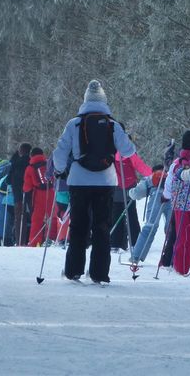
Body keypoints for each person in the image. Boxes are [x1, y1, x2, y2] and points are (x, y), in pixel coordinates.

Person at [52, 80, 135, 285]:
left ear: (85, 101)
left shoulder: (74, 124)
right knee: (101, 226)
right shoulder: (112, 125)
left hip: (79, 181)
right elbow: (128, 151)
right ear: (104, 101)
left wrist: (59, 170)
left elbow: (60, 152)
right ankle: (99, 273)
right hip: (106, 181)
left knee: (78, 226)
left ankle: (73, 271)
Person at [169, 130, 190, 275]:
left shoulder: (177, 162)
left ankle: (181, 266)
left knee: (182, 235)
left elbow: (170, 183)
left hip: (179, 204)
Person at [110, 146, 152, 252]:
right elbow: (141, 167)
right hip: (129, 189)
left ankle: (115, 243)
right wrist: (154, 175)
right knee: (131, 216)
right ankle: (135, 242)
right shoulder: (130, 154)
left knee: (116, 215)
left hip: (115, 187)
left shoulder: (110, 152)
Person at [128, 163, 169, 264]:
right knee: (172, 229)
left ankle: (136, 256)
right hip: (170, 200)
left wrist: (130, 192)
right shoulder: (170, 176)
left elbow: (137, 193)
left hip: (156, 198)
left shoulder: (149, 179)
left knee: (150, 227)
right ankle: (172, 258)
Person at [24, 147, 56, 246]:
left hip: (38, 194)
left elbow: (27, 187)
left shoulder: (30, 167)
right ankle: (52, 239)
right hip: (51, 191)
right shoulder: (49, 163)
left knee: (37, 219)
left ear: (31, 155)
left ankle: (35, 242)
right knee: (53, 217)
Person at [9, 142, 32, 245]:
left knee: (18, 219)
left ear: (21, 151)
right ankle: (29, 240)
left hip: (17, 194)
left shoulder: (15, 162)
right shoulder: (30, 162)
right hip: (29, 194)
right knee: (29, 218)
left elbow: (8, 180)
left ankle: (19, 241)